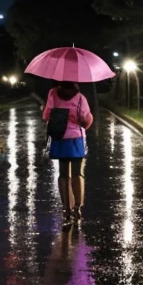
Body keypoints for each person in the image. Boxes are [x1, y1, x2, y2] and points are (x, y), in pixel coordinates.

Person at [42, 81, 93, 230]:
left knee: (63, 174)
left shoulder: (53, 93)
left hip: (60, 138)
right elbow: (85, 118)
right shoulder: (80, 97)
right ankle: (78, 208)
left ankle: (66, 210)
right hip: (76, 138)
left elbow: (46, 115)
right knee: (77, 173)